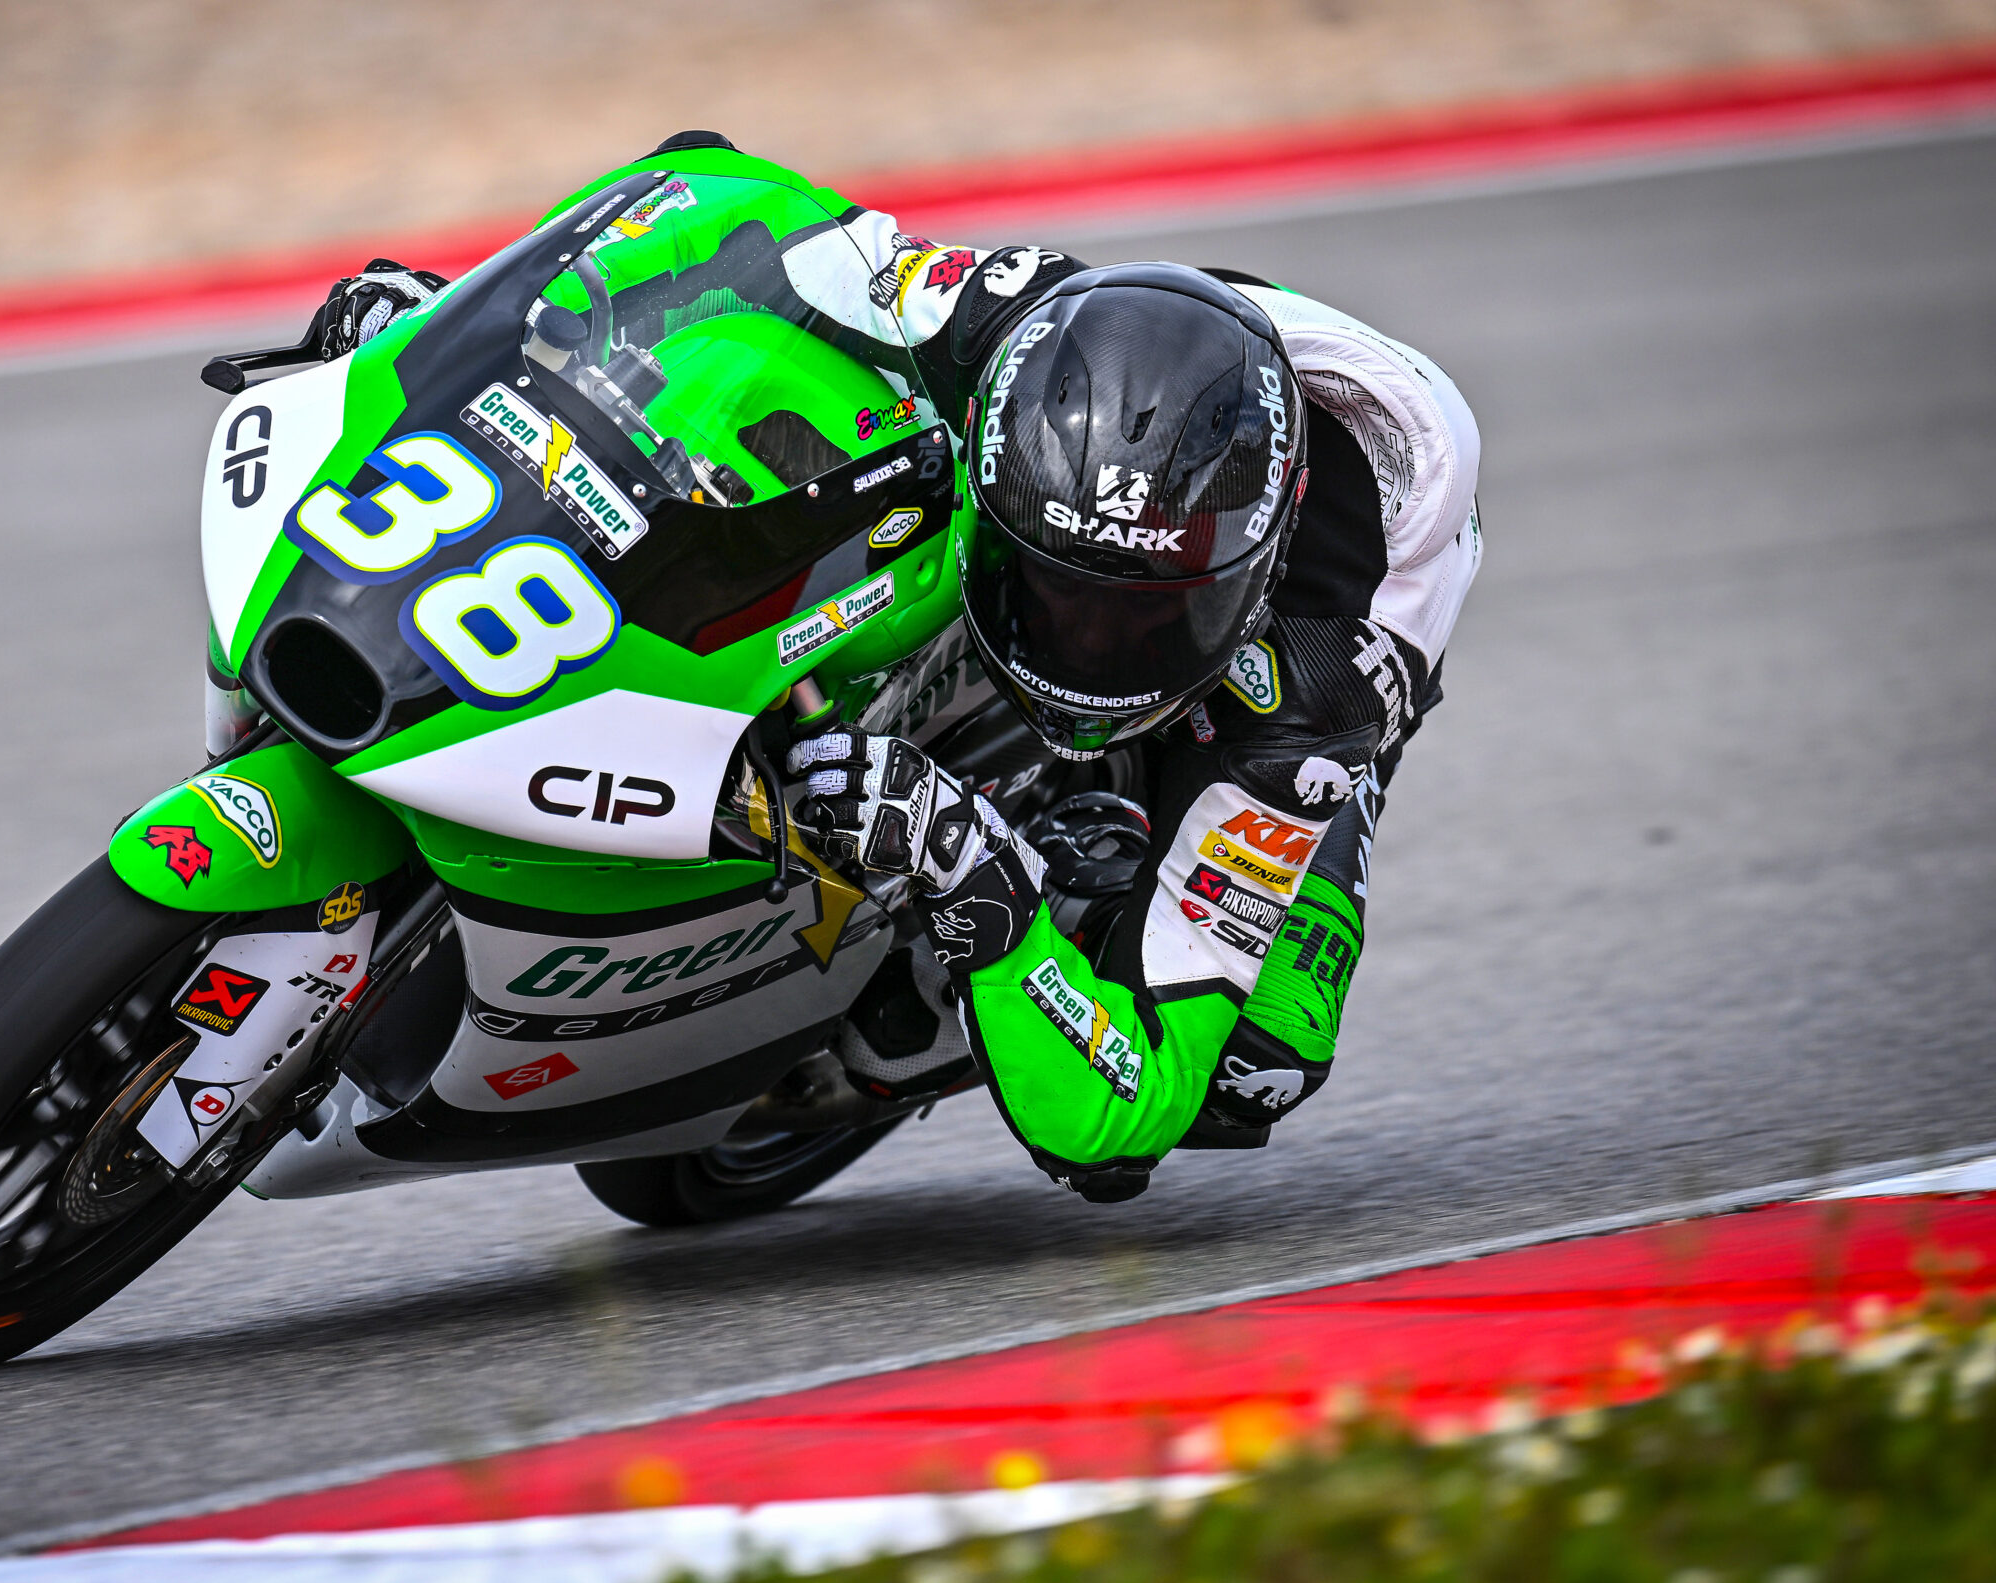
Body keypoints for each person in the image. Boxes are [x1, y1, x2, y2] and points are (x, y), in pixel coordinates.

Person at [307, 133, 1481, 1203]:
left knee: (1251, 1066)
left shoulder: (1329, 670)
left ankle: (928, 997)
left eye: (1141, 624)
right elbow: (724, 231)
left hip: (1342, 612)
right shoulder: (991, 313)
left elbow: (1121, 1121)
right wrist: (452, 326)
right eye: (1059, 600)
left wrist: (976, 875)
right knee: (797, 431)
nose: (1088, 648)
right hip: (1142, 398)